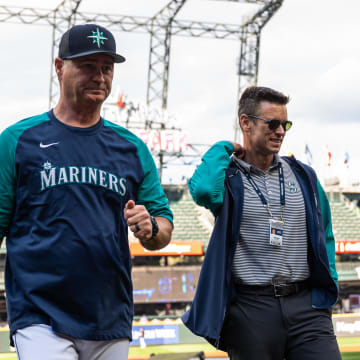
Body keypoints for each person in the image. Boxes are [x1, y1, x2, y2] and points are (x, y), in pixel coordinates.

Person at [0, 24, 173, 360]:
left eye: (106, 68)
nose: (99, 77)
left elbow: (163, 226)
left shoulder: (131, 148)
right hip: (40, 312)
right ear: (59, 67)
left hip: (108, 313)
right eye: (87, 66)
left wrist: (150, 228)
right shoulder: (18, 141)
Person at [182, 86, 340, 360]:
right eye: (273, 123)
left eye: (285, 124)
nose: (280, 131)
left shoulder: (304, 176)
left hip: (306, 307)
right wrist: (224, 148)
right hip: (250, 308)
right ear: (246, 122)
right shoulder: (229, 179)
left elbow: (324, 231)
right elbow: (205, 190)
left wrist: (331, 283)